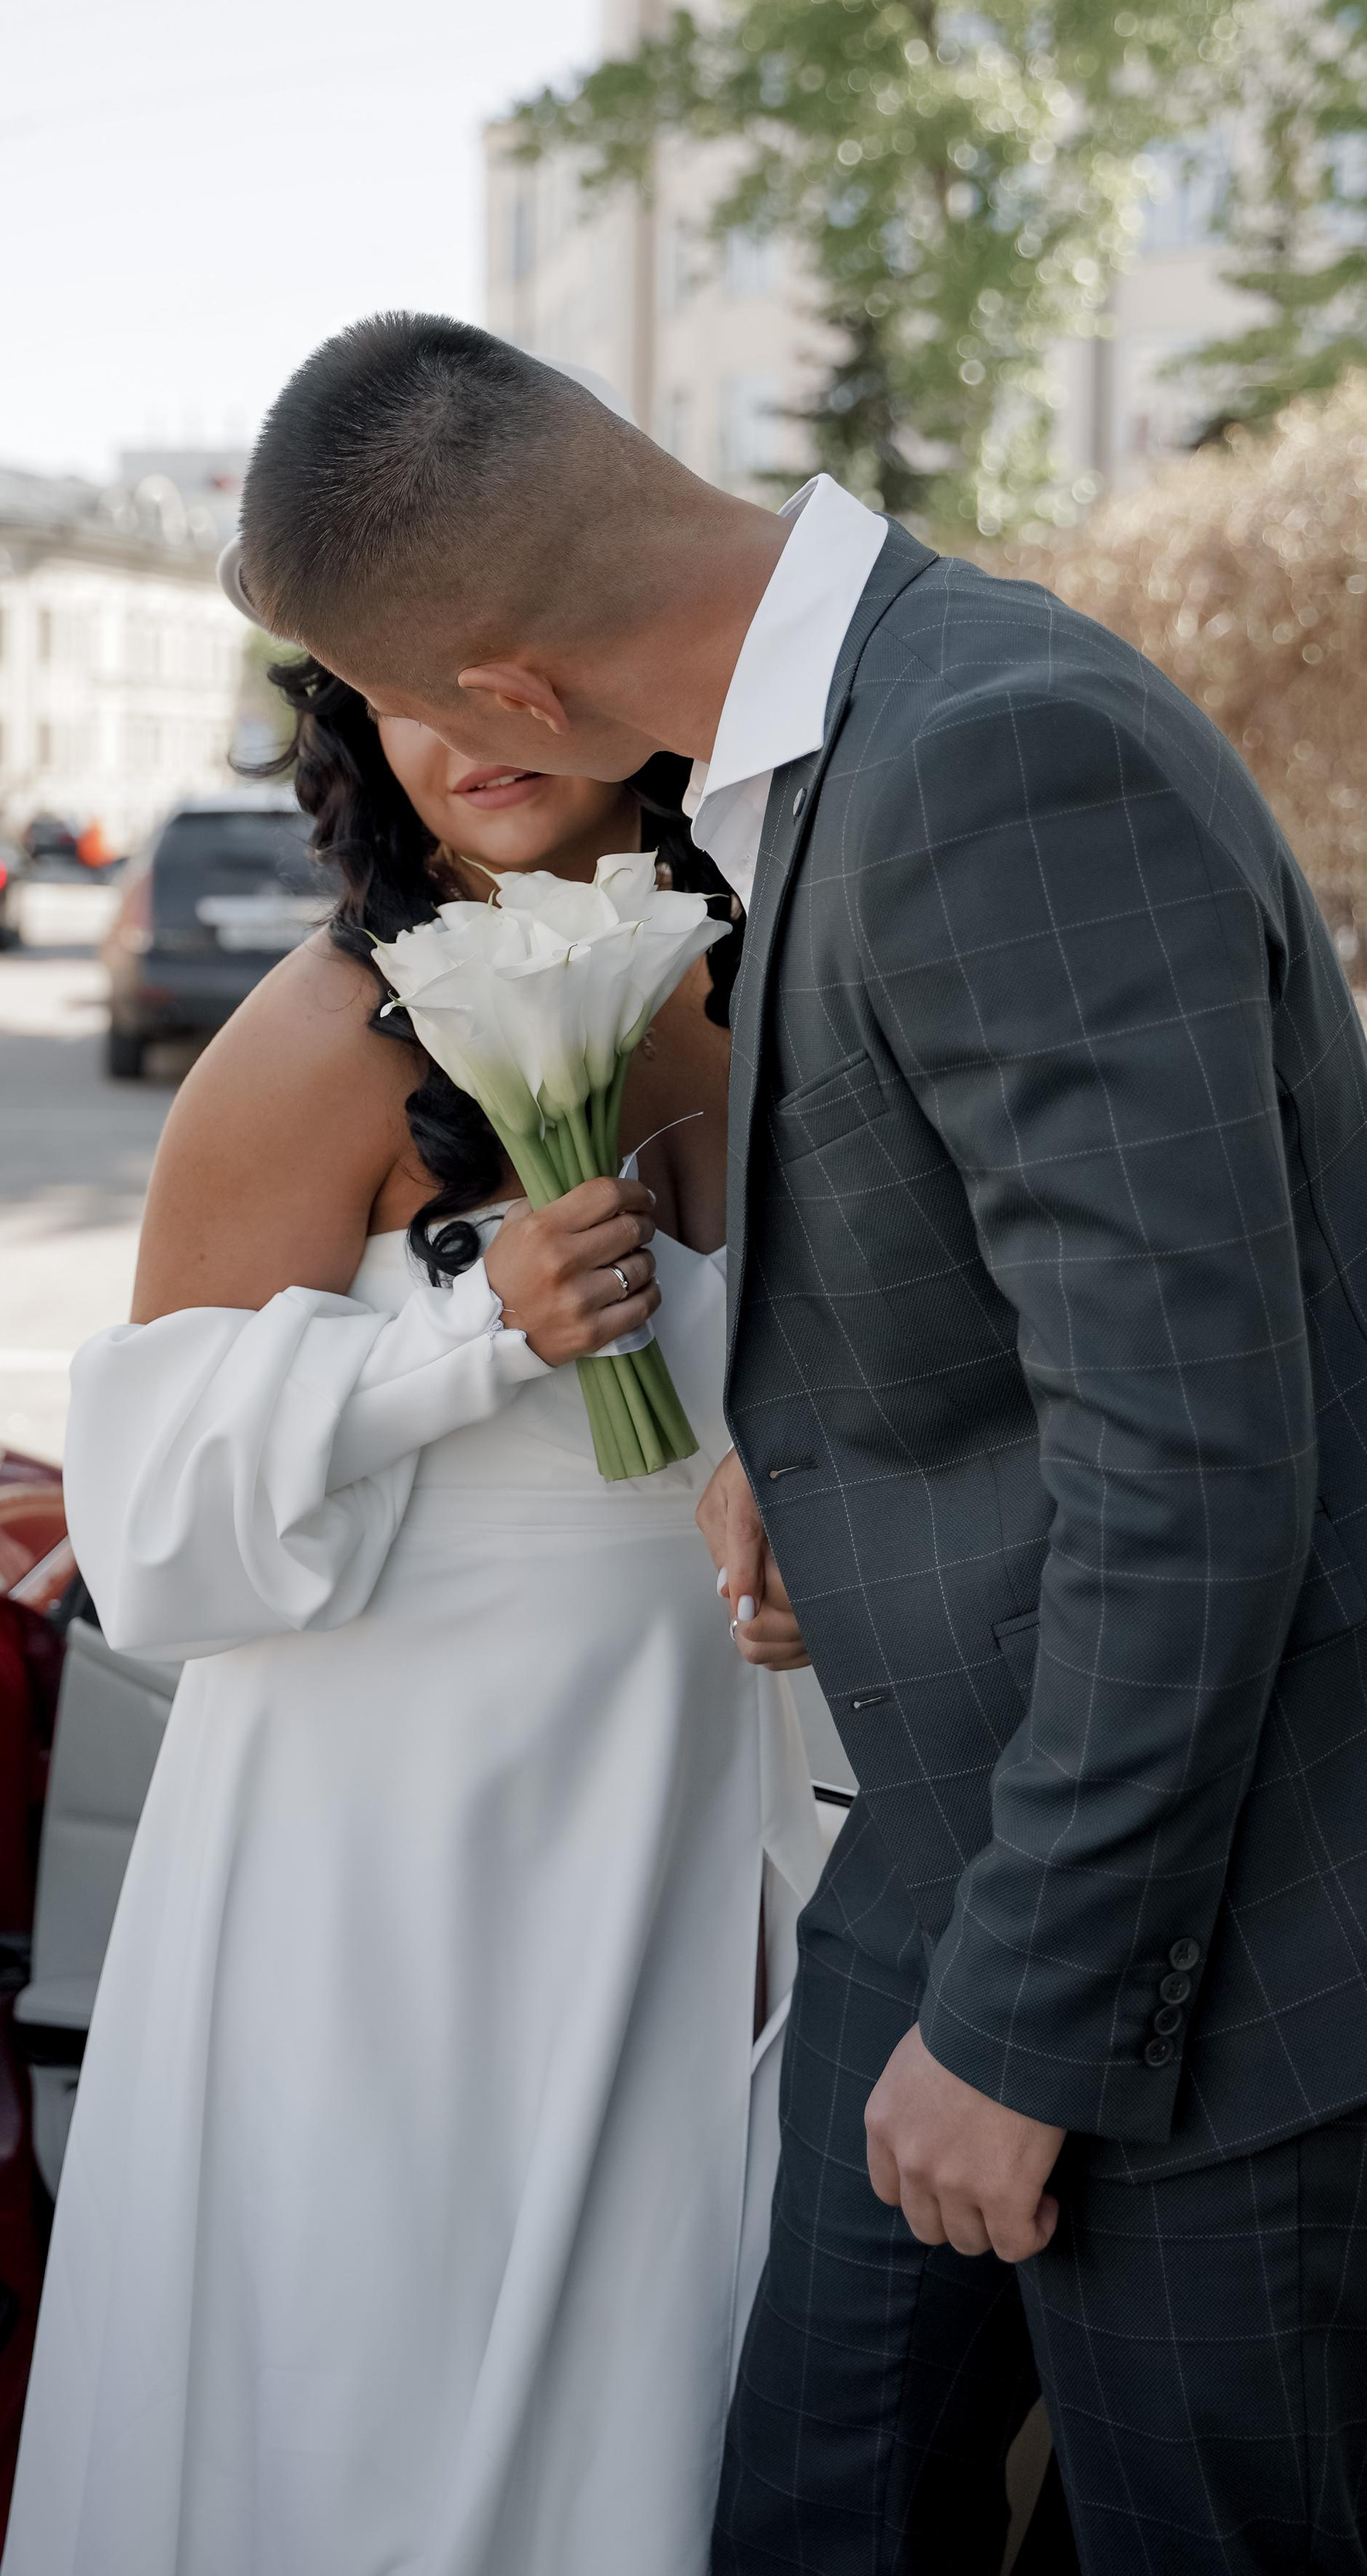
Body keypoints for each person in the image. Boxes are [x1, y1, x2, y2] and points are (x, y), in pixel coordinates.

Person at [228, 310, 1367, 2574]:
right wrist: (809, 1438)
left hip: (1186, 1956)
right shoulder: (863, 737)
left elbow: (1200, 1463)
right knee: (815, 2513)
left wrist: (1029, 2034)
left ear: (517, 695)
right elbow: (1029, 1316)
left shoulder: (1001, 751)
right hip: (945, 1860)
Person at [0, 662, 827, 2576]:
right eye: (394, 692)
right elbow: (152, 1524)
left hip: (685, 1793)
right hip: (371, 1850)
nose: (467, 732)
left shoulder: (776, 983)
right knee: (365, 2380)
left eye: (506, 662)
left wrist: (825, 1522)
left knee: (656, 2367)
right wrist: (464, 1335)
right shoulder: (314, 1035)